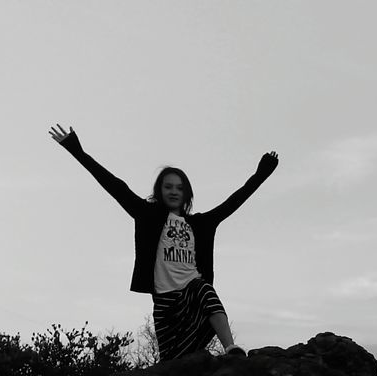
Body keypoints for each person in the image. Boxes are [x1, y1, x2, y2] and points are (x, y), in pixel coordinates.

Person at [48, 123, 278, 359]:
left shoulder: (201, 224)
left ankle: (232, 349)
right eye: (168, 186)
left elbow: (234, 201)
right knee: (174, 361)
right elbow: (114, 185)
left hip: (192, 295)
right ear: (159, 190)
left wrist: (261, 175)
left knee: (205, 290)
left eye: (179, 188)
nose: (174, 191)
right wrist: (76, 150)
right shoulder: (147, 215)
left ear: (186, 194)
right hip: (165, 302)